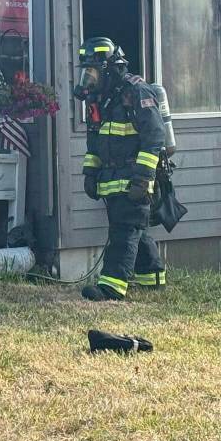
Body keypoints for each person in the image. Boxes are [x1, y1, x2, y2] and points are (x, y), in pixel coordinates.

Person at [76, 37, 167, 301]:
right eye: (86, 72)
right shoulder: (100, 100)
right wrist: (90, 173)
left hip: (133, 177)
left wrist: (142, 179)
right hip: (111, 178)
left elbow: (154, 137)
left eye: (92, 72)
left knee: (124, 229)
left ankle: (111, 286)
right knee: (134, 227)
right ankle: (152, 276)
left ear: (109, 70)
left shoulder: (136, 92)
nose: (88, 78)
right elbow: (94, 141)